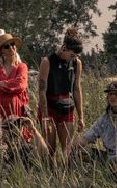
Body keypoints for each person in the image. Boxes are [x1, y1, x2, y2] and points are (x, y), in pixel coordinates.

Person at [68, 81, 117, 168]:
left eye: (116, 94)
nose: (112, 97)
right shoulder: (105, 118)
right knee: (79, 152)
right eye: (110, 94)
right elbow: (87, 136)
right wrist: (71, 148)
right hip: (110, 156)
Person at [37, 28, 85, 157]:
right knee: (50, 149)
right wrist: (45, 117)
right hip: (49, 105)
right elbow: (42, 91)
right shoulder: (47, 62)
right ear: (64, 48)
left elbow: (76, 89)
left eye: (76, 56)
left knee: (67, 149)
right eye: (72, 55)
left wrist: (80, 116)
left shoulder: (76, 63)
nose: (73, 58)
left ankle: (66, 173)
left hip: (66, 106)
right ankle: (50, 173)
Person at [0, 33, 29, 136]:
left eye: (12, 44)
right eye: (6, 46)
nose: (11, 48)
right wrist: (10, 87)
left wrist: (1, 84)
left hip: (16, 108)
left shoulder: (22, 67)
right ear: (1, 51)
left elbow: (21, 84)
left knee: (17, 138)